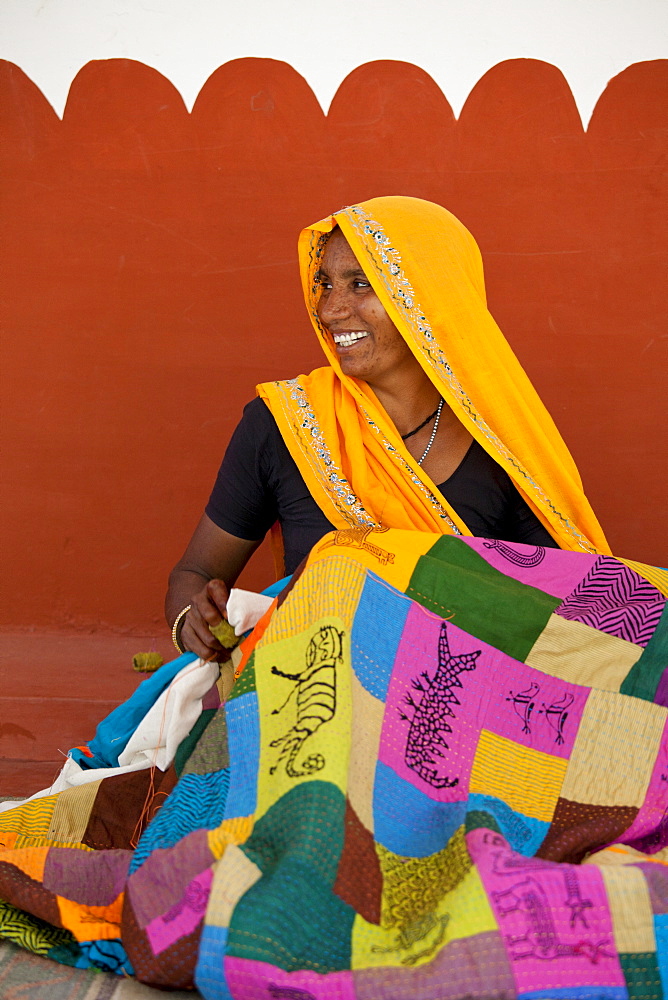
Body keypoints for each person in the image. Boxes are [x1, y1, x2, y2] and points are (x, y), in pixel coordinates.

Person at [166, 196, 609, 660]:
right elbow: (194, 573)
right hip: (314, 698)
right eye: (324, 284)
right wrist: (192, 624)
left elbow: (576, 614)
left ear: (429, 295)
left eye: (360, 284)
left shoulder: (502, 446)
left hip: (460, 702)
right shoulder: (285, 424)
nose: (330, 310)